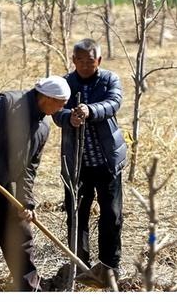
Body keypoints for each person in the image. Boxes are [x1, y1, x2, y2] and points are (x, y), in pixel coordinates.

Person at [0, 76, 70, 291]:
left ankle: (29, 290)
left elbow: (29, 169)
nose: (62, 107)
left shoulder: (43, 127)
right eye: (60, 102)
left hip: (9, 186)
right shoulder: (9, 103)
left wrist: (26, 202)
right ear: (46, 97)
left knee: (21, 240)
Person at [53, 38, 127, 276]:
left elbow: (114, 102)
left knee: (112, 215)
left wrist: (90, 109)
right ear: (73, 60)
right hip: (77, 164)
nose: (85, 65)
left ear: (99, 61)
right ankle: (80, 264)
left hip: (106, 161)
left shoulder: (109, 80)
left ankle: (109, 266)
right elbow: (55, 110)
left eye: (91, 61)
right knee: (76, 214)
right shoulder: (64, 83)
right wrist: (68, 118)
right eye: (80, 60)